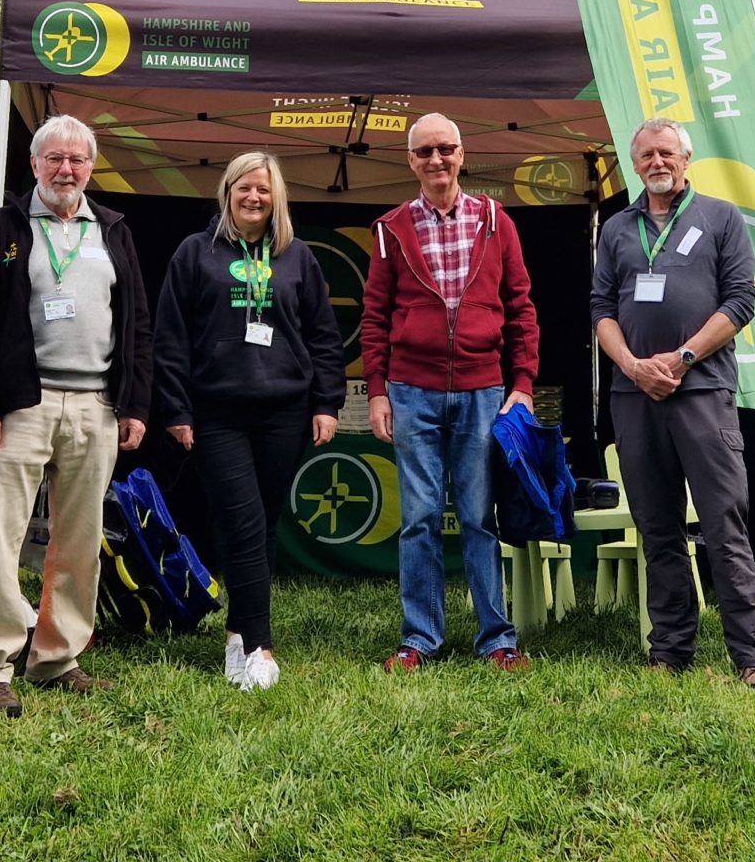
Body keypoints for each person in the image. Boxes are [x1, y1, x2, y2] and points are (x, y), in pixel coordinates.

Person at [0, 115, 153, 716]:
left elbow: (138, 325)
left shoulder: (113, 231)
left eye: (78, 160)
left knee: (80, 541)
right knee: (0, 539)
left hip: (96, 406)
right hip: (20, 409)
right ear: (34, 165)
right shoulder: (3, 229)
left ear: (92, 167)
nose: (67, 170)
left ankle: (56, 658)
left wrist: (135, 404)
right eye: (55, 159)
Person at [589, 118, 755, 687]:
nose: (656, 162)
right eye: (646, 154)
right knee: (657, 527)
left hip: (701, 390)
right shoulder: (617, 228)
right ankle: (670, 649)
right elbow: (601, 308)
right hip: (633, 395)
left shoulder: (722, 218)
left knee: (724, 522)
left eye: (666, 152)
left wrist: (682, 359)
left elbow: (742, 301)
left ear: (686, 158)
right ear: (635, 163)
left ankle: (753, 657)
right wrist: (631, 366)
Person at [152, 152, 346, 690]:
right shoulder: (195, 253)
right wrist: (175, 408)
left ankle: (238, 632)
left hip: (284, 410)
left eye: (263, 190)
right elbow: (169, 337)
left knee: (261, 522)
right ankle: (261, 646)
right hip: (216, 411)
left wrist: (326, 403)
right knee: (241, 520)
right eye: (244, 189)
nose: (254, 198)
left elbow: (324, 337)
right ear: (228, 192)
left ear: (276, 196)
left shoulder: (297, 257)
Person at [362, 113, 539, 672]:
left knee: (479, 517)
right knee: (417, 519)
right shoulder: (391, 229)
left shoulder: (496, 221)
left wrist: (524, 385)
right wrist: (376, 391)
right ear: (410, 161)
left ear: (463, 154)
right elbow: (373, 316)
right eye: (424, 152)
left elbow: (521, 309)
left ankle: (497, 639)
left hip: (484, 390)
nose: (436, 160)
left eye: (446, 149)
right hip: (410, 390)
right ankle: (420, 639)